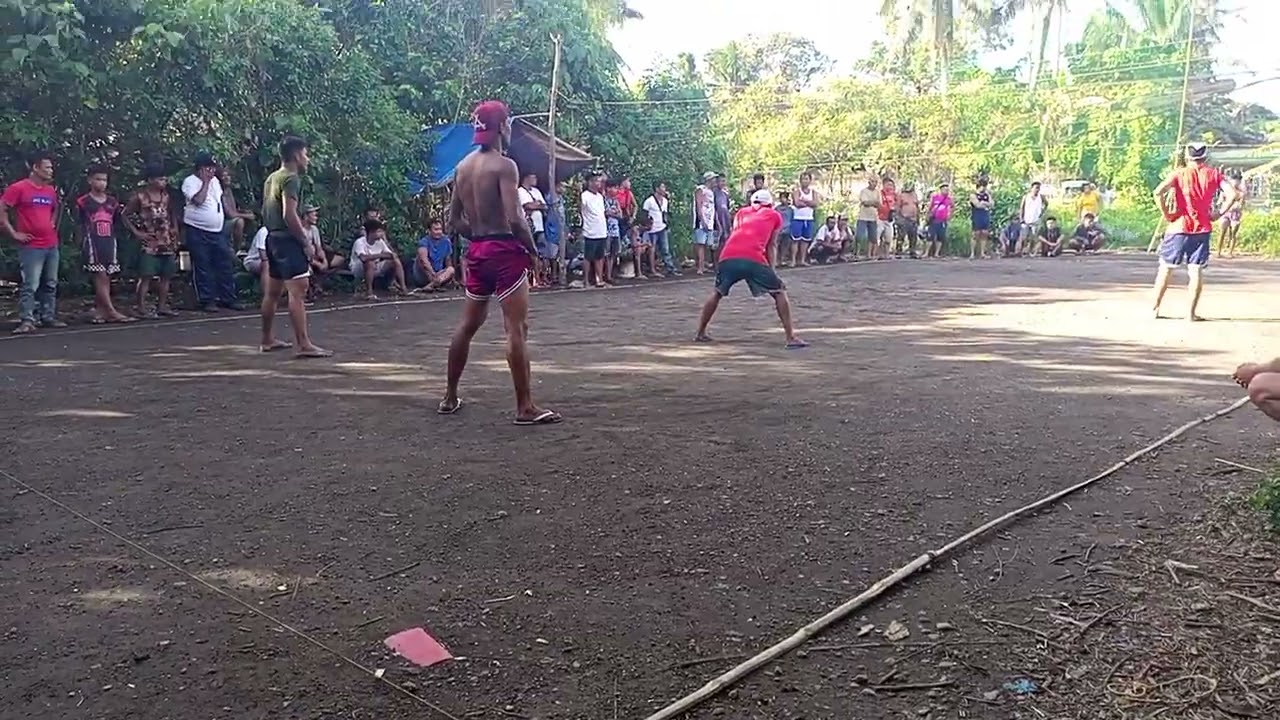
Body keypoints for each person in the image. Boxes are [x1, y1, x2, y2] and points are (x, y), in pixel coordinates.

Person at [438, 99, 559, 425]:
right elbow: (516, 218)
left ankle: (450, 396)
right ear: (504, 126)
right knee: (515, 328)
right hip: (505, 250)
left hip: (477, 250)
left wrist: (479, 234)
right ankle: (524, 407)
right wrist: (533, 251)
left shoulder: (463, 167)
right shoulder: (505, 166)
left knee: (467, 326)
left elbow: (454, 220)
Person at [694, 189, 806, 349]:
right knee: (779, 291)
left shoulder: (741, 213)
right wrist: (771, 269)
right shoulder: (774, 215)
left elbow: (737, 234)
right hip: (753, 257)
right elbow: (771, 245)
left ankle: (700, 332)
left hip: (728, 256)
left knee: (717, 292)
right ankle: (790, 337)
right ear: (770, 204)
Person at [257, 135, 330, 357]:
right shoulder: (291, 178)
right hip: (287, 241)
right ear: (297, 155)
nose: (307, 158)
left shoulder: (272, 178)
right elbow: (289, 214)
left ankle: (267, 339)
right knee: (298, 291)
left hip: (272, 238)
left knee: (272, 292)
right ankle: (304, 344)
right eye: (306, 153)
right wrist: (305, 242)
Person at [1151, 142, 1240, 321]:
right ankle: (1190, 314)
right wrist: (1219, 213)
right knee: (1196, 271)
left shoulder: (1178, 173)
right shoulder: (1214, 175)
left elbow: (1158, 192)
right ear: (1205, 157)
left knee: (1166, 269)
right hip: (1202, 228)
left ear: (1187, 156)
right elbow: (1232, 194)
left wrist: (1167, 213)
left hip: (1177, 227)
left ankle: (1155, 309)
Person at [1, 150, 65, 334]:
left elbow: (56, 207)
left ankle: (48, 316)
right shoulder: (19, 188)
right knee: (31, 283)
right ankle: (27, 319)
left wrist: (52, 222)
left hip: (51, 243)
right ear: (35, 168)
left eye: (51, 168)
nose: (50, 171)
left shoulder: (50, 190)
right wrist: (13, 233)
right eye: (47, 167)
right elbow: (3, 208)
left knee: (51, 282)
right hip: (31, 245)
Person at [182, 152, 242, 312]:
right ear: (200, 169)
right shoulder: (190, 182)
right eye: (208, 168)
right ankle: (207, 299)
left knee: (224, 263)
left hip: (216, 230)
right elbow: (199, 200)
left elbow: (220, 202)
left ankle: (228, 297)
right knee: (203, 265)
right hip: (197, 229)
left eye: (213, 168)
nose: (211, 171)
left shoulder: (216, 181)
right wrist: (205, 182)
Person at [76, 165, 131, 324]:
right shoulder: (83, 202)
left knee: (107, 277)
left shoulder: (112, 202)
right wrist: (80, 244)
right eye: (98, 179)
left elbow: (117, 223)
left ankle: (101, 311)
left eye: (104, 180)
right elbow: (79, 224)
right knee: (99, 276)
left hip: (109, 241)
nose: (101, 183)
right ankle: (111, 311)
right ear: (90, 180)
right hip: (93, 242)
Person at [124, 163, 180, 318]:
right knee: (146, 275)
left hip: (166, 240)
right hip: (149, 241)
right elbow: (125, 214)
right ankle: (141, 307)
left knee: (166, 275)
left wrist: (174, 228)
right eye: (160, 178)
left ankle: (162, 306)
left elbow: (172, 213)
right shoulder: (140, 197)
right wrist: (137, 232)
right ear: (150, 180)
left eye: (164, 178)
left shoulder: (166, 196)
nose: (163, 181)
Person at [350, 219, 408, 298]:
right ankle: (369, 292)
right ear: (371, 232)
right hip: (359, 268)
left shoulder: (380, 242)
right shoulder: (360, 242)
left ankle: (403, 288)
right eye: (379, 231)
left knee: (395, 261)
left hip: (376, 266)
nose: (381, 234)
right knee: (369, 263)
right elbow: (363, 258)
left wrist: (388, 255)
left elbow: (390, 254)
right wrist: (380, 255)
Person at [579, 172, 609, 288]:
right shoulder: (585, 195)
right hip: (590, 231)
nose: (599, 183)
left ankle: (599, 279)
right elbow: (581, 209)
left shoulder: (600, 197)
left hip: (601, 230)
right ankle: (586, 280)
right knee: (588, 257)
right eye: (596, 181)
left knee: (600, 257)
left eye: (599, 181)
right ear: (590, 182)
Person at [517, 172, 548, 285]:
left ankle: (542, 277)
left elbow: (545, 206)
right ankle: (534, 278)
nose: (536, 179)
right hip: (528, 226)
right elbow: (527, 206)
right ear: (526, 178)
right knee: (530, 252)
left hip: (539, 227)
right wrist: (536, 204)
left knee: (542, 253)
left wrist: (536, 205)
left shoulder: (536, 191)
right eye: (533, 177)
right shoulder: (520, 191)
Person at [643, 181, 677, 275]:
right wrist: (647, 225)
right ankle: (652, 269)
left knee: (665, 249)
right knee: (652, 249)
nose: (664, 189)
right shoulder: (649, 201)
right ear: (657, 189)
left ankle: (670, 268)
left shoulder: (665, 201)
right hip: (652, 228)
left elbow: (665, 214)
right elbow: (644, 214)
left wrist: (666, 224)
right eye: (662, 187)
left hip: (662, 227)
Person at [413, 220, 457, 291]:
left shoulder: (446, 241)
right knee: (421, 260)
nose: (439, 232)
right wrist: (433, 273)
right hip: (425, 274)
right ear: (429, 231)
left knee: (451, 269)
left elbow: (448, 261)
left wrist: (451, 278)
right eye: (436, 229)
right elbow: (424, 261)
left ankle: (432, 285)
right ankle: (434, 284)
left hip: (439, 275)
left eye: (440, 229)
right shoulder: (424, 242)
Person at [218, 166, 255, 250]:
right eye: (224, 176)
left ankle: (247, 244)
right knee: (240, 221)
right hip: (222, 224)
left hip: (230, 220)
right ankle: (236, 249)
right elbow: (230, 214)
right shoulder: (220, 192)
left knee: (250, 218)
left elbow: (233, 210)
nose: (227, 178)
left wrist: (244, 212)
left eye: (228, 175)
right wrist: (246, 216)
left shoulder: (228, 190)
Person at [791, 171, 820, 266]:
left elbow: (815, 204)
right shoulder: (796, 192)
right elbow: (797, 203)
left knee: (805, 240)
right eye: (803, 179)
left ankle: (802, 260)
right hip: (797, 218)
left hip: (808, 218)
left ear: (810, 180)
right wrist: (809, 203)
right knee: (795, 240)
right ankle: (793, 260)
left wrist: (804, 201)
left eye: (806, 179)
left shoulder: (814, 192)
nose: (804, 181)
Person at [1216, 169, 1246, 258]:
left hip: (1235, 214)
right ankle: (1218, 251)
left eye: (1237, 180)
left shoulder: (1241, 194)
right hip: (1225, 213)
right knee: (1222, 231)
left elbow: (1241, 205)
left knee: (1233, 233)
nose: (1235, 181)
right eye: (1234, 179)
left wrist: (1234, 205)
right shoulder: (1225, 192)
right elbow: (1219, 202)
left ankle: (1230, 252)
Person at [693, 171, 718, 274]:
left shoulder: (711, 192)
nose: (715, 181)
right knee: (700, 244)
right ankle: (700, 267)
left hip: (710, 220)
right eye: (714, 179)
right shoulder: (700, 190)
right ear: (709, 180)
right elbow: (698, 205)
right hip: (701, 221)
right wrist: (702, 219)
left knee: (708, 244)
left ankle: (704, 265)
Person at [542, 179, 565, 285]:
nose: (563, 188)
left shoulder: (561, 198)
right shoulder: (550, 197)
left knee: (559, 254)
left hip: (560, 228)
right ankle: (552, 275)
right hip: (552, 227)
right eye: (560, 186)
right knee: (551, 254)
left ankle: (558, 274)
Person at [1018, 182, 1047, 257]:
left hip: (1036, 220)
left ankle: (1030, 251)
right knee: (1024, 237)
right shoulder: (1026, 197)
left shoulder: (1041, 197)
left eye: (1038, 188)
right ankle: (1021, 251)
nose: (1037, 190)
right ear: (1032, 188)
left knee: (1033, 237)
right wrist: (1021, 218)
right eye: (1036, 188)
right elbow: (1022, 208)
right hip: (1026, 219)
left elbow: (1046, 204)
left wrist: (1042, 212)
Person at [856, 175, 881, 259]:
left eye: (876, 182)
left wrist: (872, 203)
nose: (874, 184)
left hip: (873, 217)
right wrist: (873, 203)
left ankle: (869, 254)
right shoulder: (864, 191)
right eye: (873, 181)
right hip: (863, 217)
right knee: (859, 236)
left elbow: (879, 204)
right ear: (869, 182)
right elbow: (865, 202)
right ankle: (857, 253)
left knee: (872, 237)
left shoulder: (877, 192)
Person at [604, 178, 624, 282]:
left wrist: (613, 213)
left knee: (613, 254)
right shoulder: (603, 200)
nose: (616, 190)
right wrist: (614, 213)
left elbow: (620, 215)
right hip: (606, 231)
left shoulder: (615, 201)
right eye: (614, 188)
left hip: (615, 231)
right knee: (605, 254)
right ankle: (603, 275)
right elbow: (605, 213)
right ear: (608, 188)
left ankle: (609, 275)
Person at [926, 183, 952, 258]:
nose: (946, 191)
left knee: (940, 237)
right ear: (941, 190)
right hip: (934, 219)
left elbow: (952, 206)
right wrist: (927, 216)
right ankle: (927, 253)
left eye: (947, 190)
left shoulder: (949, 199)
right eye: (945, 189)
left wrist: (949, 215)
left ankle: (937, 253)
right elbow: (930, 207)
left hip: (943, 220)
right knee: (930, 236)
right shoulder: (935, 197)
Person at [970, 179, 993, 259]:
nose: (985, 188)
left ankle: (982, 253)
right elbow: (977, 205)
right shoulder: (973, 195)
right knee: (975, 234)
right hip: (977, 216)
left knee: (984, 233)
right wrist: (985, 204)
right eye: (983, 186)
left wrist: (984, 203)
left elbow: (992, 204)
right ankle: (972, 253)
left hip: (985, 215)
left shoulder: (987, 195)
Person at [896, 182, 920, 258]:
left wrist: (918, 218)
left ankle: (912, 251)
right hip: (904, 218)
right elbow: (898, 207)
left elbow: (917, 206)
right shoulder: (901, 195)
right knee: (901, 236)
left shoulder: (914, 195)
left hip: (913, 219)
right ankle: (899, 251)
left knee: (913, 237)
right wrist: (898, 218)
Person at [774, 191, 794, 267]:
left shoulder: (790, 210)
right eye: (781, 198)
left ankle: (782, 259)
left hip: (787, 229)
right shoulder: (777, 209)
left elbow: (792, 219)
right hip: (778, 229)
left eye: (784, 198)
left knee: (785, 245)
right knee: (776, 244)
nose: (783, 199)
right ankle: (776, 260)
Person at [878, 177, 897, 259]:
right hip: (879, 217)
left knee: (888, 238)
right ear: (883, 185)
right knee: (878, 238)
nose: (890, 187)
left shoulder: (894, 195)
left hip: (889, 219)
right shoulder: (880, 193)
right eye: (888, 185)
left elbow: (897, 204)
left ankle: (887, 254)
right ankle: (879, 254)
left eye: (891, 185)